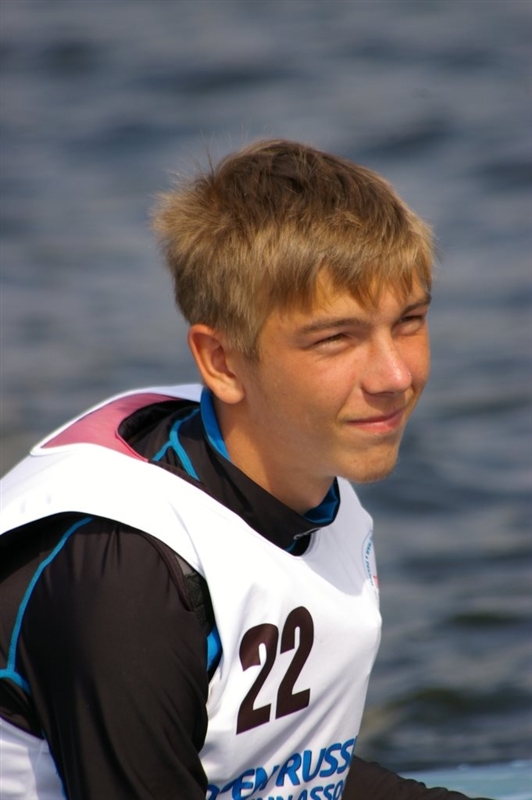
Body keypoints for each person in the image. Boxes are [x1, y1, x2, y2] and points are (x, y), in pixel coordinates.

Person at [0, 140, 492, 800]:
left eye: (410, 321)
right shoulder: (128, 570)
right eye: (336, 339)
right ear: (223, 362)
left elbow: (291, 775)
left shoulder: (303, 465)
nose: (395, 376)